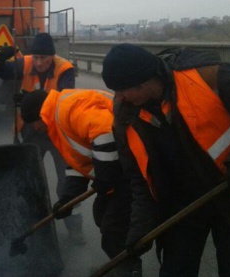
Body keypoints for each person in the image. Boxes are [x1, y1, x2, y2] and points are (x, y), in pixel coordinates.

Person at [101, 43, 230, 277]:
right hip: (182, 204)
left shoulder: (208, 77)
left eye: (122, 90)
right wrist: (139, 230)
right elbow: (139, 180)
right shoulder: (125, 117)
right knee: (175, 270)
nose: (118, 98)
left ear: (143, 81)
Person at [19, 88, 142, 277]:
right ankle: (122, 263)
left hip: (136, 167)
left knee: (113, 228)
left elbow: (105, 132)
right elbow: (79, 163)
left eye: (34, 122)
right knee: (101, 213)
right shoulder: (59, 120)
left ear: (41, 114)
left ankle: (128, 270)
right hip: (122, 169)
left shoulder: (69, 109)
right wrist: (68, 199)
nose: (35, 128)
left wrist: (105, 174)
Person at [0, 32, 84, 242]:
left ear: (52, 56)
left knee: (67, 182)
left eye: (44, 58)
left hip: (58, 132)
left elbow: (64, 97)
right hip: (31, 130)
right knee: (29, 179)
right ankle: (33, 225)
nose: (39, 62)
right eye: (37, 57)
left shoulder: (64, 69)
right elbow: (2, 72)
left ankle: (75, 228)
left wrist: (30, 99)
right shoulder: (26, 63)